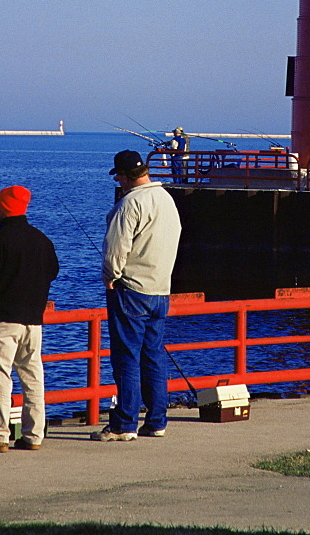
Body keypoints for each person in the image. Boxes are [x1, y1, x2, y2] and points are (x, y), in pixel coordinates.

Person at [92, 150, 181, 441]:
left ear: (127, 176)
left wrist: (110, 277)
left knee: (126, 358)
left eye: (118, 174)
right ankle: (157, 421)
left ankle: (124, 424)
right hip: (161, 290)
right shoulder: (167, 200)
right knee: (153, 356)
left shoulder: (129, 204)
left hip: (130, 290)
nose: (117, 179)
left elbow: (116, 249)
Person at [0, 184, 59, 453]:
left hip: (0, 321)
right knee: (32, 377)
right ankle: (34, 435)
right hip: (33, 321)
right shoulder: (41, 239)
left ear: (4, 207)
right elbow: (52, 271)